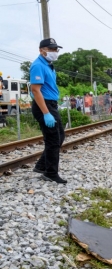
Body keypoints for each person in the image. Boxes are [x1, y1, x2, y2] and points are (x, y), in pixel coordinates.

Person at [30, 38, 67, 184]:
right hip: (44, 105)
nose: (54, 52)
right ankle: (50, 173)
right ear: (42, 50)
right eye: (51, 49)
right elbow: (35, 90)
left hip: (51, 104)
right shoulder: (38, 65)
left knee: (59, 136)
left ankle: (42, 165)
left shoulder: (49, 65)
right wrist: (46, 113)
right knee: (53, 140)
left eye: (55, 49)